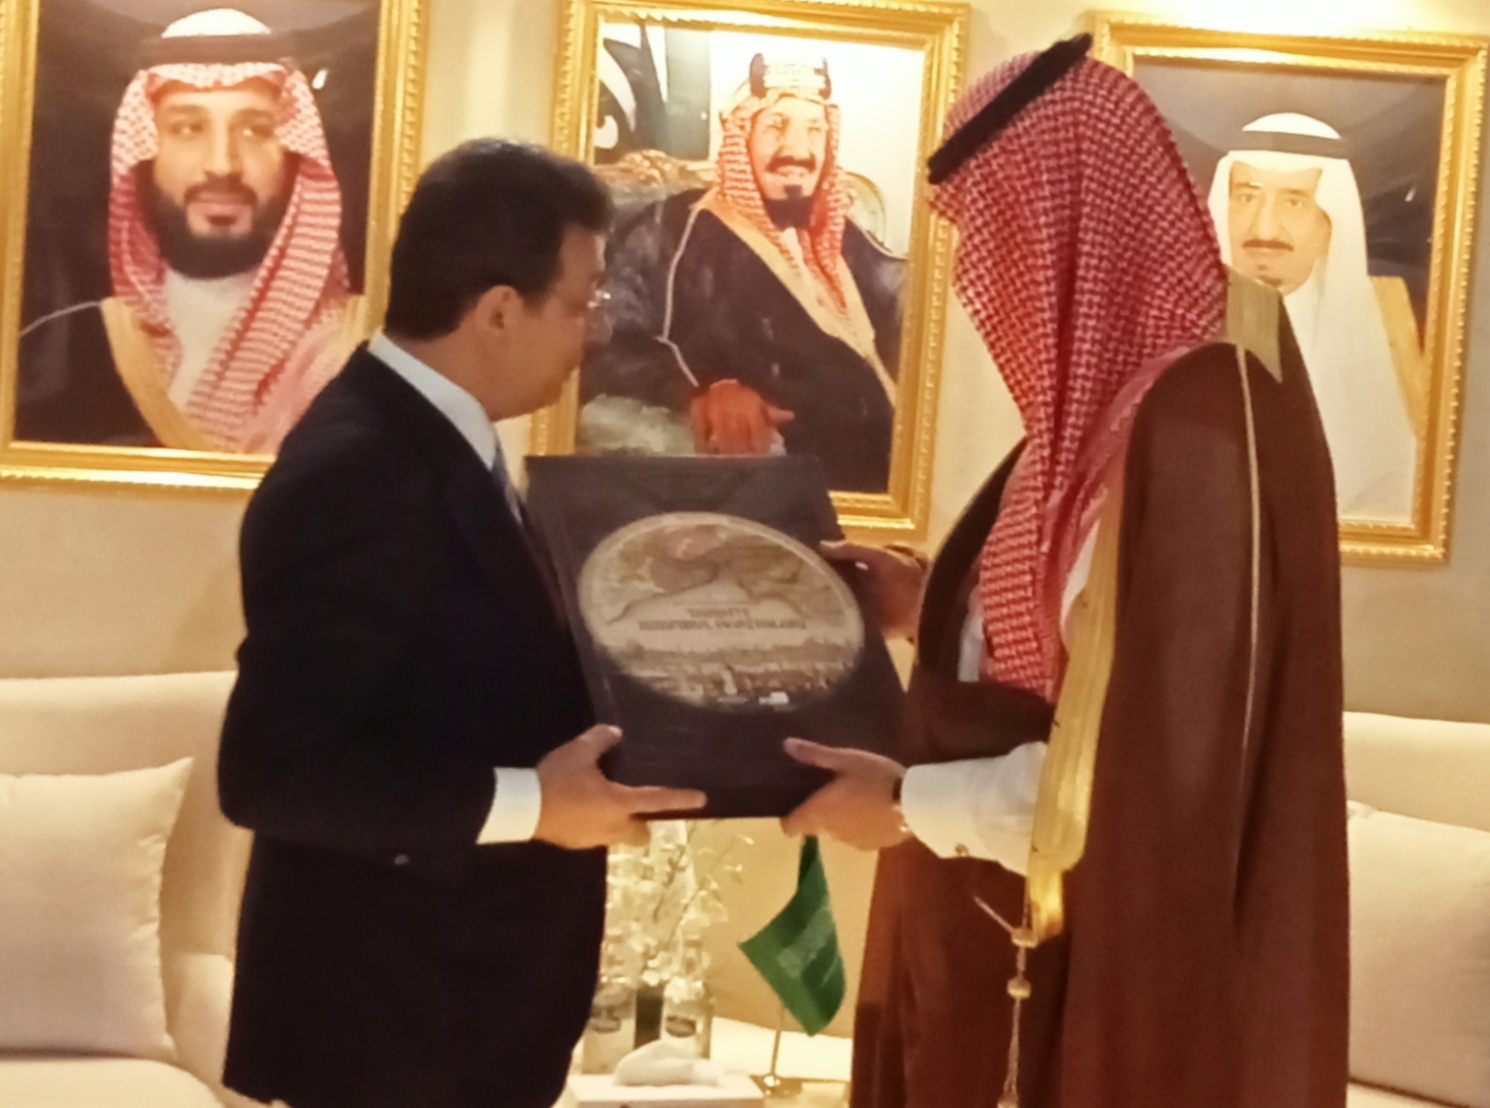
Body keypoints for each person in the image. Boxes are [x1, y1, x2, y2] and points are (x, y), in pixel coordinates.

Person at [781, 38, 1349, 1108]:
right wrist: (926, 606)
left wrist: (905, 804)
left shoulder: (1198, 424)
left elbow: (1151, 773)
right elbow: (1075, 647)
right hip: (985, 928)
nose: (979, 273)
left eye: (1000, 228)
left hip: (1078, 964)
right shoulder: (1113, 410)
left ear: (1076, 219)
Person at [217, 139, 705, 1108]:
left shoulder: (437, 439)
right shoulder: (359, 469)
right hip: (385, 1034)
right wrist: (534, 805)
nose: (599, 329)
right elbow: (274, 772)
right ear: (497, 311)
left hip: (454, 1025)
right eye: (584, 300)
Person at [17, 8, 364, 453]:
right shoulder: (63, 347)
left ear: (295, 156)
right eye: (187, 129)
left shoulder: (359, 353)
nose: (222, 164)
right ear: (146, 153)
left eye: (255, 130)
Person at [578, 53, 904, 492]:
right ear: (742, 137)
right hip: (779, 480)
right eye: (776, 127)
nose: (798, 151)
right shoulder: (675, 227)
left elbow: (906, 300)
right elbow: (602, 334)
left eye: (814, 129)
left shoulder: (838, 233)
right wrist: (701, 390)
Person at [1209, 112, 1422, 521]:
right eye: (1247, 198)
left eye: (1294, 202)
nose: (1264, 229)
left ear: (1331, 223)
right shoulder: (1176, 332)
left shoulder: (1386, 329)